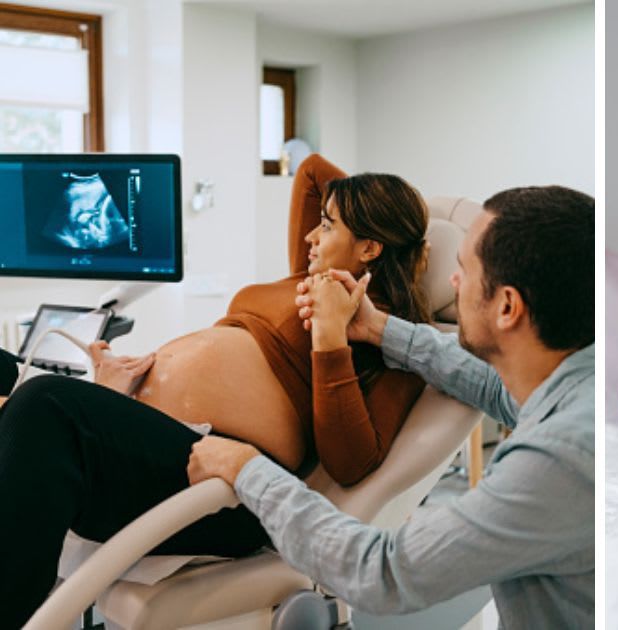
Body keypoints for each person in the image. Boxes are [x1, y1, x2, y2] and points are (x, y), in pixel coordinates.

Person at [0, 154, 432, 626]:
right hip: (150, 436)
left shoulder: (392, 339)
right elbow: (311, 171)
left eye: (326, 227)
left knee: (45, 405)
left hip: (221, 480)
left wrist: (331, 337)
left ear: (369, 248)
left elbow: (352, 465)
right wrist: (379, 218)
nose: (311, 235)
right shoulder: (305, 278)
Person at [187, 185, 596, 628]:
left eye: (463, 270)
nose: (452, 282)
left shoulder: (559, 459)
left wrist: (248, 470)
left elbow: (382, 574)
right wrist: (377, 328)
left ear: (508, 306)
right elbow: (495, 390)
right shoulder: (575, 382)